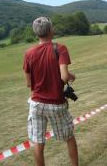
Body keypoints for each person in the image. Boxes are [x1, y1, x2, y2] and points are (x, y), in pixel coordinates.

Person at [23, 17, 79, 166]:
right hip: (56, 103)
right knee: (69, 137)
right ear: (50, 30)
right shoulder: (60, 48)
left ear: (36, 33)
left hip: (36, 104)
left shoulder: (28, 53)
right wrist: (72, 76)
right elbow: (65, 76)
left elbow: (29, 83)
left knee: (38, 142)